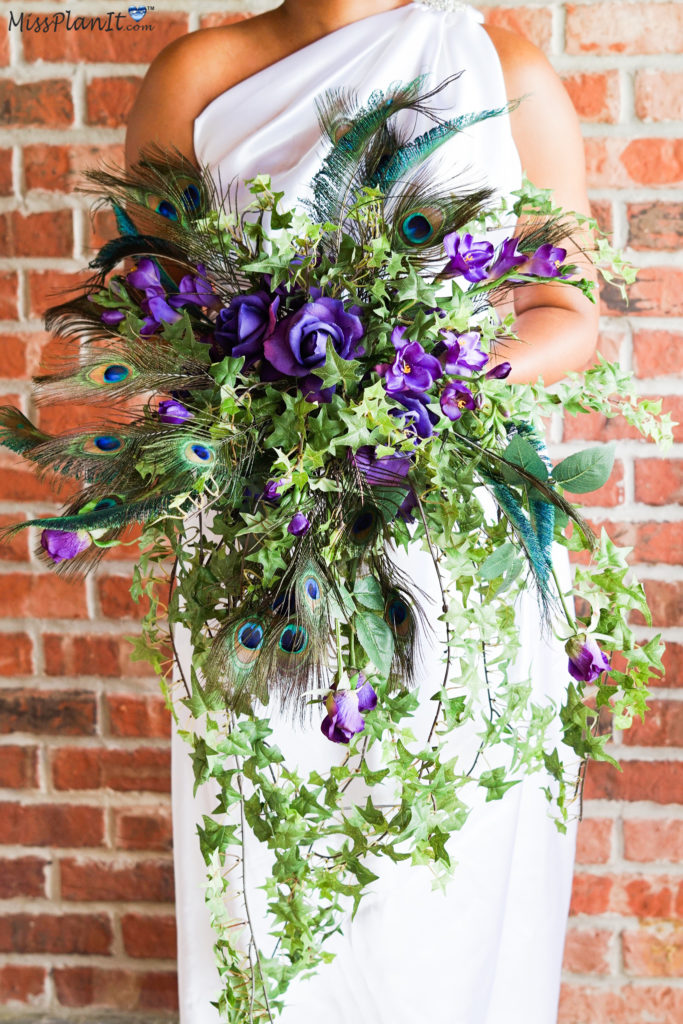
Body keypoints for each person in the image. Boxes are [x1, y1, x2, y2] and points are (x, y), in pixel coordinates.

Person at [125, 3, 600, 1022]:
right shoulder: (194, 73)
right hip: (259, 544)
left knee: (446, 880)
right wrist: (264, 401)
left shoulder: (504, 68)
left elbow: (567, 316)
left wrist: (418, 379)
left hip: (457, 542)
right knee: (260, 863)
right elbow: (146, 330)